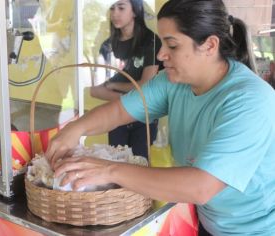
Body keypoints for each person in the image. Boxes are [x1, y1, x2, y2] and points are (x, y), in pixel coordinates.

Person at [45, 0, 275, 235]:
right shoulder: (173, 82)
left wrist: (108, 170)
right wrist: (74, 129)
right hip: (208, 221)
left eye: (172, 45)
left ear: (210, 45)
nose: (161, 54)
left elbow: (201, 186)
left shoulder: (250, 100)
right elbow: (118, 111)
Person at [90, 0, 163, 158]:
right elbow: (95, 90)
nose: (115, 13)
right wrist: (131, 96)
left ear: (135, 11)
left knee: (141, 165)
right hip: (116, 116)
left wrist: (113, 85)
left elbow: (145, 85)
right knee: (116, 163)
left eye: (121, 8)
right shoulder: (107, 46)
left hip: (144, 117)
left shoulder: (151, 41)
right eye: (112, 8)